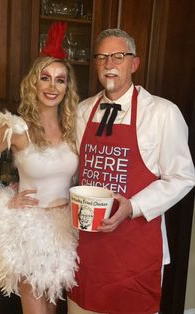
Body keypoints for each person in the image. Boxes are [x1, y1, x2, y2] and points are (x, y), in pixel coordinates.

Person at [67, 28, 195, 314]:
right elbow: (72, 171)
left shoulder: (163, 113)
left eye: (118, 56)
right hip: (87, 250)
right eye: (101, 57)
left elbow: (183, 177)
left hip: (134, 251)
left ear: (134, 64)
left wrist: (133, 206)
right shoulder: (82, 111)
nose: (109, 64)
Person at [0, 22, 80, 314]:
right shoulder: (16, 128)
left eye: (60, 80)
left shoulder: (74, 126)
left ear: (68, 87)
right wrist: (4, 198)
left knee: (52, 311)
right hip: (32, 229)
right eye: (45, 78)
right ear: (34, 83)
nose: (52, 87)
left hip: (65, 229)